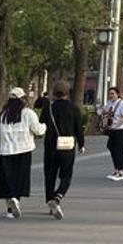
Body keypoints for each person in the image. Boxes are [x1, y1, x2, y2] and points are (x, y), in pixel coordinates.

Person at [0, 87, 46, 219]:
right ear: (22, 99)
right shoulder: (28, 113)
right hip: (24, 151)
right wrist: (44, 127)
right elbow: (38, 130)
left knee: (7, 180)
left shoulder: (3, 115)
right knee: (20, 178)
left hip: (6, 152)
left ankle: (9, 208)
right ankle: (16, 199)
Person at [36, 81, 84, 220]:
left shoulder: (48, 108)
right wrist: (81, 144)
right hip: (67, 146)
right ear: (67, 92)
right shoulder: (74, 108)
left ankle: (50, 200)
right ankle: (58, 196)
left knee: (50, 175)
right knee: (66, 174)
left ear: (54, 93)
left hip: (51, 147)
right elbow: (78, 128)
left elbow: (41, 126)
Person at [100, 87, 123, 181]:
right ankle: (116, 169)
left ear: (117, 94)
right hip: (112, 129)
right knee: (111, 147)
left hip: (120, 130)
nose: (111, 95)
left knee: (118, 150)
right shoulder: (109, 103)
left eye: (113, 93)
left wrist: (117, 124)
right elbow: (105, 112)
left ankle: (120, 172)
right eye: (110, 94)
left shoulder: (122, 104)